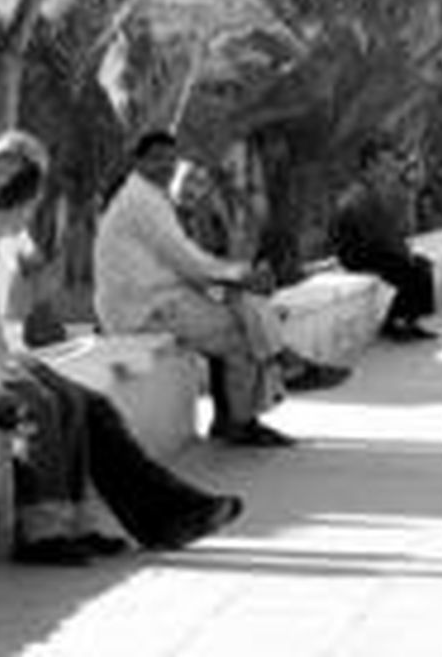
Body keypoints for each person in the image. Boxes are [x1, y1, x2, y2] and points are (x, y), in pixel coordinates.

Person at [0, 130, 243, 566]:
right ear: (10, 191)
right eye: (29, 201)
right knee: (36, 402)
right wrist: (3, 365)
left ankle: (163, 516)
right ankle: (42, 535)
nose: (30, 215)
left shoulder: (3, 224)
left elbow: (29, 288)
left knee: (85, 403)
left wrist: (54, 259)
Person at [95, 131, 297, 447]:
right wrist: (240, 275)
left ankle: (245, 402)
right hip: (145, 308)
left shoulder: (152, 196)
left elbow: (189, 261)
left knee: (243, 306)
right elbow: (185, 258)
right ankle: (244, 418)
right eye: (156, 158)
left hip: (162, 296)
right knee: (242, 336)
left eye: (170, 158)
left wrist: (238, 277)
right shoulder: (141, 201)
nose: (166, 165)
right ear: (138, 161)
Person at [169, 158, 352, 394]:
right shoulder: (166, 217)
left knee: (248, 297)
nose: (194, 188)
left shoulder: (199, 216)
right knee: (246, 302)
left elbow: (218, 254)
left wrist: (244, 272)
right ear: (174, 180)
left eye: (202, 183)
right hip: (174, 293)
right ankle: (288, 364)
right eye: (189, 180)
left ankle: (286, 364)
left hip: (199, 287)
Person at [328, 134, 440, 343]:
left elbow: (385, 231)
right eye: (384, 164)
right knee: (408, 269)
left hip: (373, 249)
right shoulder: (358, 192)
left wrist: (400, 247)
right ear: (370, 163)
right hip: (358, 255)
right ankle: (394, 323)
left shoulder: (373, 190)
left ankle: (410, 321)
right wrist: (399, 250)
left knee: (421, 265)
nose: (388, 170)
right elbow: (372, 234)